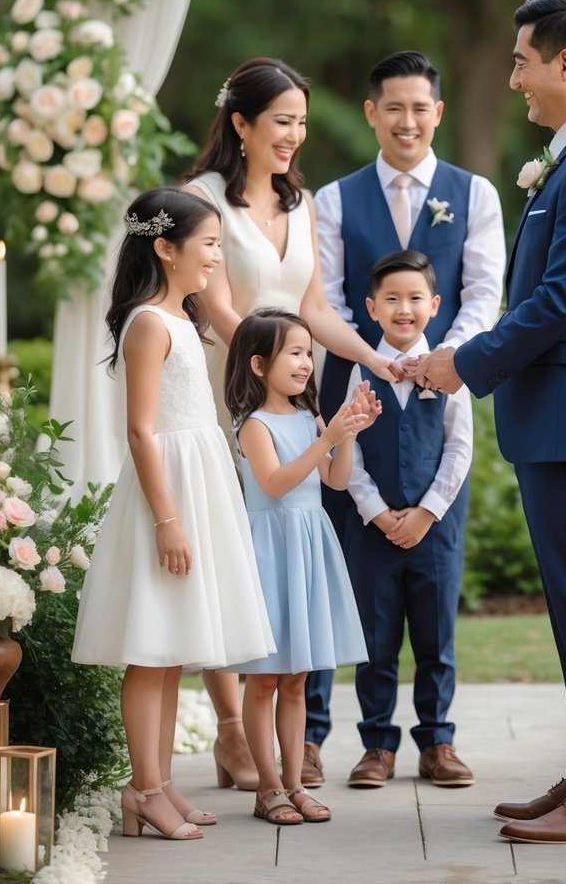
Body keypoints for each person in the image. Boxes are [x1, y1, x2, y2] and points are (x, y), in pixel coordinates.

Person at [415, 0, 566, 844]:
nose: (513, 76)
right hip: (559, 415)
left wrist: (465, 362)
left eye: (521, 60)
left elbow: (563, 300)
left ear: (564, 62)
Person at [186, 57, 394, 791]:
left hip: (286, 395)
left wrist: (378, 357)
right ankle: (231, 728)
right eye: (282, 122)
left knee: (267, 568)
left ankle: (257, 734)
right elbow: (212, 308)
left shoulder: (299, 201)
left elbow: (314, 306)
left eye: (301, 123)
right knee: (225, 559)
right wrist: (273, 363)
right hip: (225, 400)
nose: (294, 136)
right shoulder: (200, 198)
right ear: (240, 124)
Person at [304, 49, 505, 785]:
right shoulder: (333, 198)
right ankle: (321, 734)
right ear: (371, 113)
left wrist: (439, 359)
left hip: (440, 379)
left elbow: (484, 292)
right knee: (343, 579)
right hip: (352, 386)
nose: (408, 120)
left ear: (438, 113)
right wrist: (373, 357)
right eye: (394, 107)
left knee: (431, 599)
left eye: (420, 107)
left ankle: (436, 740)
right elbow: (322, 297)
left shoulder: (473, 192)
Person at [71, 188, 274, 842]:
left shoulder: (181, 317)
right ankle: (146, 789)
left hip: (198, 480)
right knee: (151, 652)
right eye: (209, 243)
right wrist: (167, 520)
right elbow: (139, 430)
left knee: (168, 652)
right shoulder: (148, 323)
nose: (217, 256)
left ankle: (155, 787)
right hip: (168, 491)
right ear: (165, 247)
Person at [222, 310, 377, 824]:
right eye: (294, 352)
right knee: (264, 679)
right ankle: (267, 788)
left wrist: (347, 433)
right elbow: (275, 483)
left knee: (297, 680)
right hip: (271, 551)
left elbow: (334, 481)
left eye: (308, 352)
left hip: (309, 545)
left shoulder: (309, 418)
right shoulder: (253, 425)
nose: (306, 362)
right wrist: (328, 437)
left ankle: (295, 783)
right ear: (259, 364)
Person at [342, 251, 474, 789]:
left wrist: (425, 513)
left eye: (415, 298)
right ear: (372, 309)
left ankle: (438, 742)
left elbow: (459, 450)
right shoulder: (359, 370)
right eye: (391, 299)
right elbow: (345, 450)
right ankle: (376, 746)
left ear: (435, 305)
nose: (404, 309)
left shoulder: (449, 372)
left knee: (434, 639)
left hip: (433, 531)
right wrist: (376, 513)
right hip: (373, 532)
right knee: (375, 641)